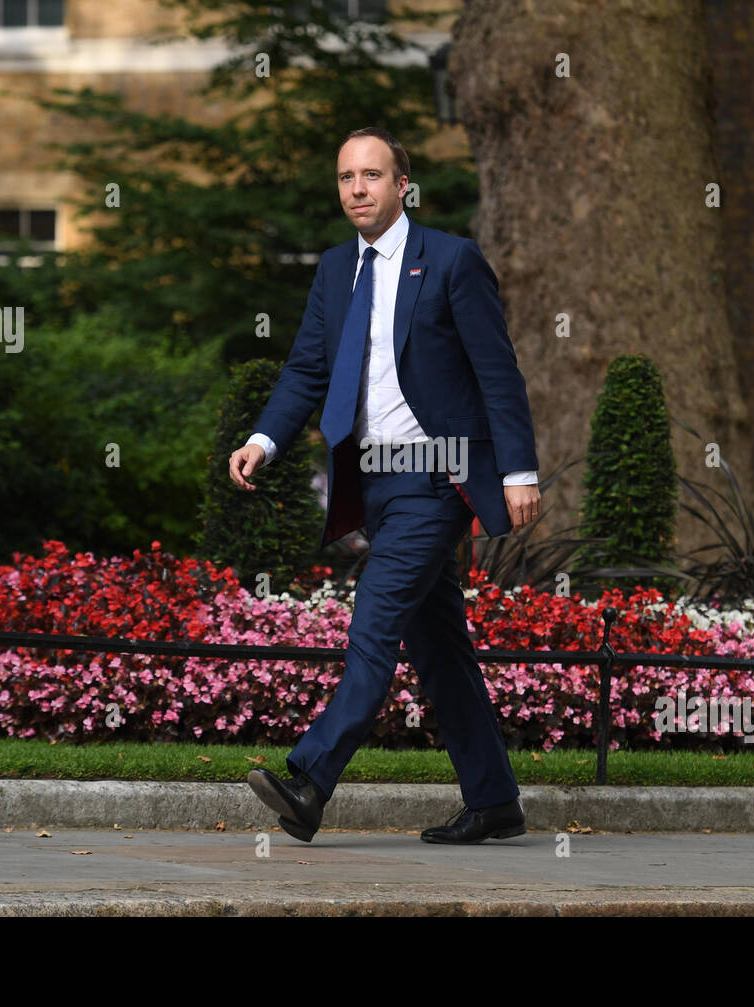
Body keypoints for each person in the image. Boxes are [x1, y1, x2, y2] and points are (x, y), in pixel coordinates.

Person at [227, 127, 540, 845]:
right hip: (375, 484)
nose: (357, 189)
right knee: (437, 646)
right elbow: (307, 367)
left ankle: (309, 780)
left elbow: (499, 374)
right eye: (345, 178)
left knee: (373, 621)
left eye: (371, 175)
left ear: (404, 185)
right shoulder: (337, 270)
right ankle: (495, 800)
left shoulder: (452, 261)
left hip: (436, 476)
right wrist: (262, 439)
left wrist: (519, 471)